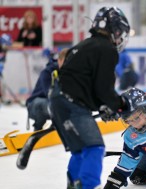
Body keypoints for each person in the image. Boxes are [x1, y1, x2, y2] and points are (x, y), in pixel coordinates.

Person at [48, 7, 130, 189]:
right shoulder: (107, 49)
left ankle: (74, 185)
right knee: (95, 148)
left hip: (57, 101)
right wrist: (120, 104)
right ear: (115, 30)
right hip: (72, 104)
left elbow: (85, 83)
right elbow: (103, 89)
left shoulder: (84, 45)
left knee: (80, 151)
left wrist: (103, 105)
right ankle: (86, 186)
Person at [25, 48, 68, 131]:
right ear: (60, 60)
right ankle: (38, 127)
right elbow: (49, 93)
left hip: (54, 103)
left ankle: (59, 126)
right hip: (36, 104)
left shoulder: (70, 72)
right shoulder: (48, 72)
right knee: (51, 103)